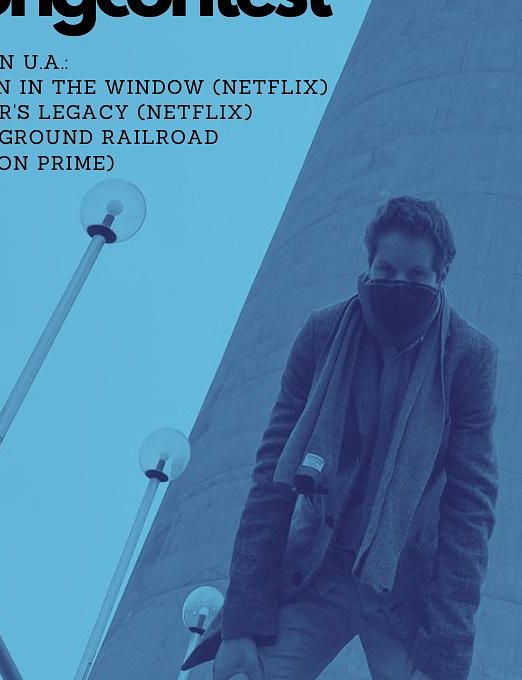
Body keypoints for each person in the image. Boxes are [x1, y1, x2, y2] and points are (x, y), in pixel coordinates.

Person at [182, 196, 499, 680]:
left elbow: (469, 510)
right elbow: (272, 478)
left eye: (417, 274)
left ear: (442, 275)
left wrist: (446, 656)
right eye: (386, 269)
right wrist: (241, 625)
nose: (399, 283)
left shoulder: (469, 357)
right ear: (369, 264)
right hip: (317, 570)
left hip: (403, 588)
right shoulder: (322, 333)